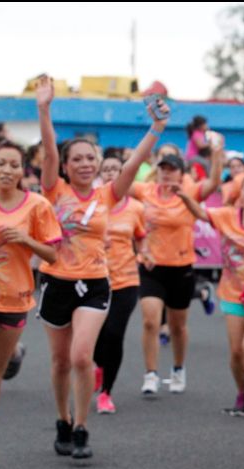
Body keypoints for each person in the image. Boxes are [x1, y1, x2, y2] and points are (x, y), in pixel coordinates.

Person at [35, 74, 168, 459]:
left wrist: (156, 127)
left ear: (97, 163)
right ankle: (62, 420)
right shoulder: (53, 189)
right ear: (66, 165)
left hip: (95, 283)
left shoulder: (108, 194)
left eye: (90, 158)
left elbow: (135, 162)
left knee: (80, 356)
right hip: (56, 282)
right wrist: (44, 108)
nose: (84, 164)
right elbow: (47, 152)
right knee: (60, 361)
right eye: (76, 158)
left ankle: (81, 427)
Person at [0, 141, 61, 469]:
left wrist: (25, 240)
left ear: (22, 170)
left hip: (15, 297)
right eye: (2, 164)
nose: (8, 170)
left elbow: (53, 255)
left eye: (15, 165)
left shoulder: (37, 206)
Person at [132, 137, 222, 397]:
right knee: (150, 321)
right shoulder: (146, 190)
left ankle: (178, 369)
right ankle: (150, 374)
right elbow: (120, 185)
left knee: (177, 326)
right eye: (163, 169)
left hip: (181, 266)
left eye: (172, 169)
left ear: (181, 173)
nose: (167, 173)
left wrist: (216, 155)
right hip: (151, 266)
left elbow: (214, 183)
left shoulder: (190, 190)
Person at [176, 174, 244, 417]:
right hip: (232, 292)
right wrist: (185, 196)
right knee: (236, 351)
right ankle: (241, 393)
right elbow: (201, 214)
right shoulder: (227, 215)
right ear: (240, 194)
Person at [92, 156, 146, 414]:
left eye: (117, 169)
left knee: (114, 334)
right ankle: (99, 367)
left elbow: (141, 237)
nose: (112, 173)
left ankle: (106, 393)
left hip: (126, 279)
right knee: (94, 337)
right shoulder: (92, 204)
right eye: (107, 169)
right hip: (94, 278)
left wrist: (144, 254)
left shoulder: (136, 207)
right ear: (100, 175)